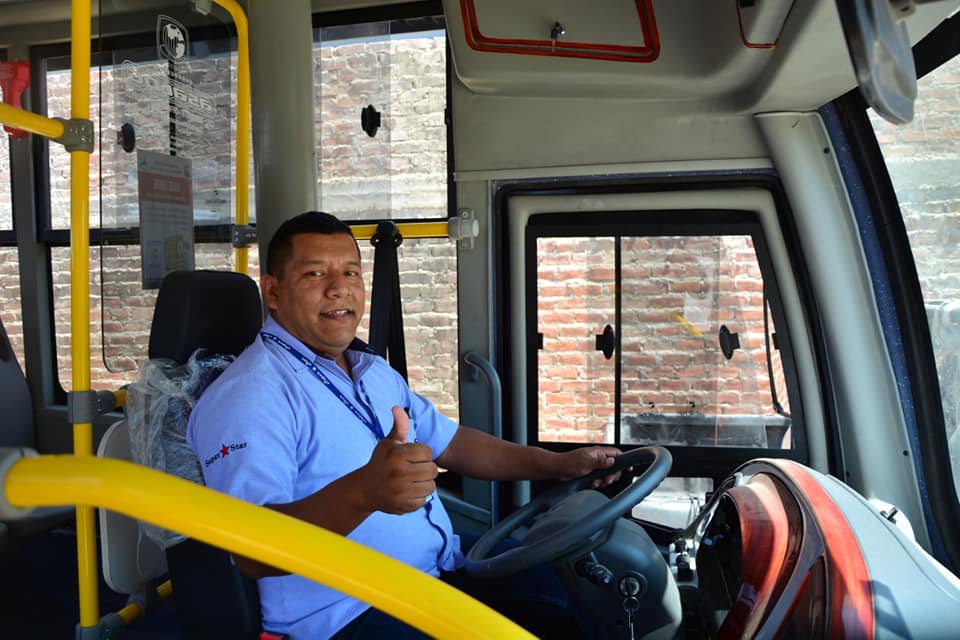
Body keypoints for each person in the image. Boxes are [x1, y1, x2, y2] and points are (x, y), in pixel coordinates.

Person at [187, 211, 623, 639]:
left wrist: (558, 465)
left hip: (438, 569)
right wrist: (364, 491)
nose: (339, 288)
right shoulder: (249, 395)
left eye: (351, 273)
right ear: (274, 292)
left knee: (579, 590)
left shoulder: (371, 370)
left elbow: (453, 444)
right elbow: (252, 550)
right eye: (315, 274)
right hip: (349, 612)